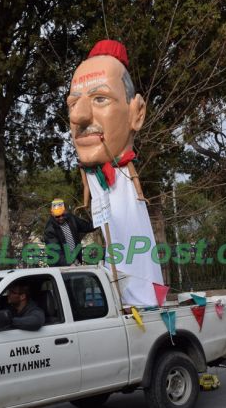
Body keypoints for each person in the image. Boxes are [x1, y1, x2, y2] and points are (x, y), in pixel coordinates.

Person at [67, 39, 163, 306]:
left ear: (137, 113)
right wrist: (86, 199)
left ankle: (141, 295)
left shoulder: (123, 172)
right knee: (115, 242)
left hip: (125, 197)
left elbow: (131, 176)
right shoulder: (90, 174)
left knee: (133, 241)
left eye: (100, 99)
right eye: (73, 104)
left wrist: (139, 192)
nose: (79, 117)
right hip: (104, 203)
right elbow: (88, 184)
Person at [43, 198, 96, 266]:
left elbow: (87, 226)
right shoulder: (49, 230)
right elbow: (55, 252)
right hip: (60, 266)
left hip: (76, 261)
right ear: (52, 214)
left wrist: (99, 222)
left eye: (63, 215)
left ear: (65, 211)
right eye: (57, 216)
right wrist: (69, 264)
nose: (61, 218)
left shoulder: (71, 218)